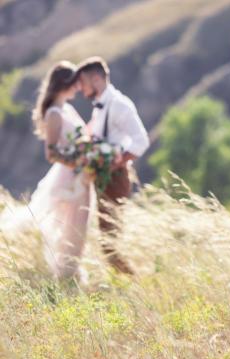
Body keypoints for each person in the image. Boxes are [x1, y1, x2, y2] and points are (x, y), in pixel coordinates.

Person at [0, 61, 91, 282]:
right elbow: (51, 154)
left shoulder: (67, 109)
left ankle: (70, 272)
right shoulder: (53, 114)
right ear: (64, 84)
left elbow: (83, 138)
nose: (79, 88)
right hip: (69, 175)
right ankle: (66, 273)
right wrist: (77, 162)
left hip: (81, 173)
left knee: (80, 222)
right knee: (69, 223)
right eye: (75, 83)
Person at [76, 56, 150, 275]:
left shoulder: (119, 104)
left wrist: (118, 161)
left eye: (84, 83)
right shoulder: (100, 106)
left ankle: (134, 283)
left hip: (115, 179)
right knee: (107, 238)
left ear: (97, 79)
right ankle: (127, 282)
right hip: (102, 179)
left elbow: (141, 140)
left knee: (110, 242)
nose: (81, 89)